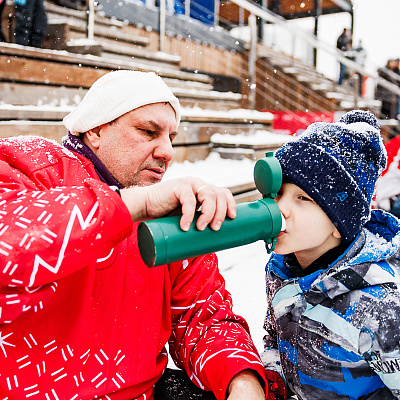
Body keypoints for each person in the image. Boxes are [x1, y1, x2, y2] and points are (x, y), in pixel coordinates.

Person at [0, 70, 285, 400]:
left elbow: (204, 319)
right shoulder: (30, 165)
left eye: (171, 138)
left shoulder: (169, 217)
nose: (167, 152)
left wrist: (242, 379)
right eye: (148, 132)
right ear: (95, 129)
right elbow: (12, 239)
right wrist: (133, 204)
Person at [261, 110, 400, 399]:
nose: (280, 208)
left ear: (341, 224)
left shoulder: (380, 307)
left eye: (303, 198)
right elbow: (274, 335)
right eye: (278, 193)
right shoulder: (283, 269)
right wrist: (272, 379)